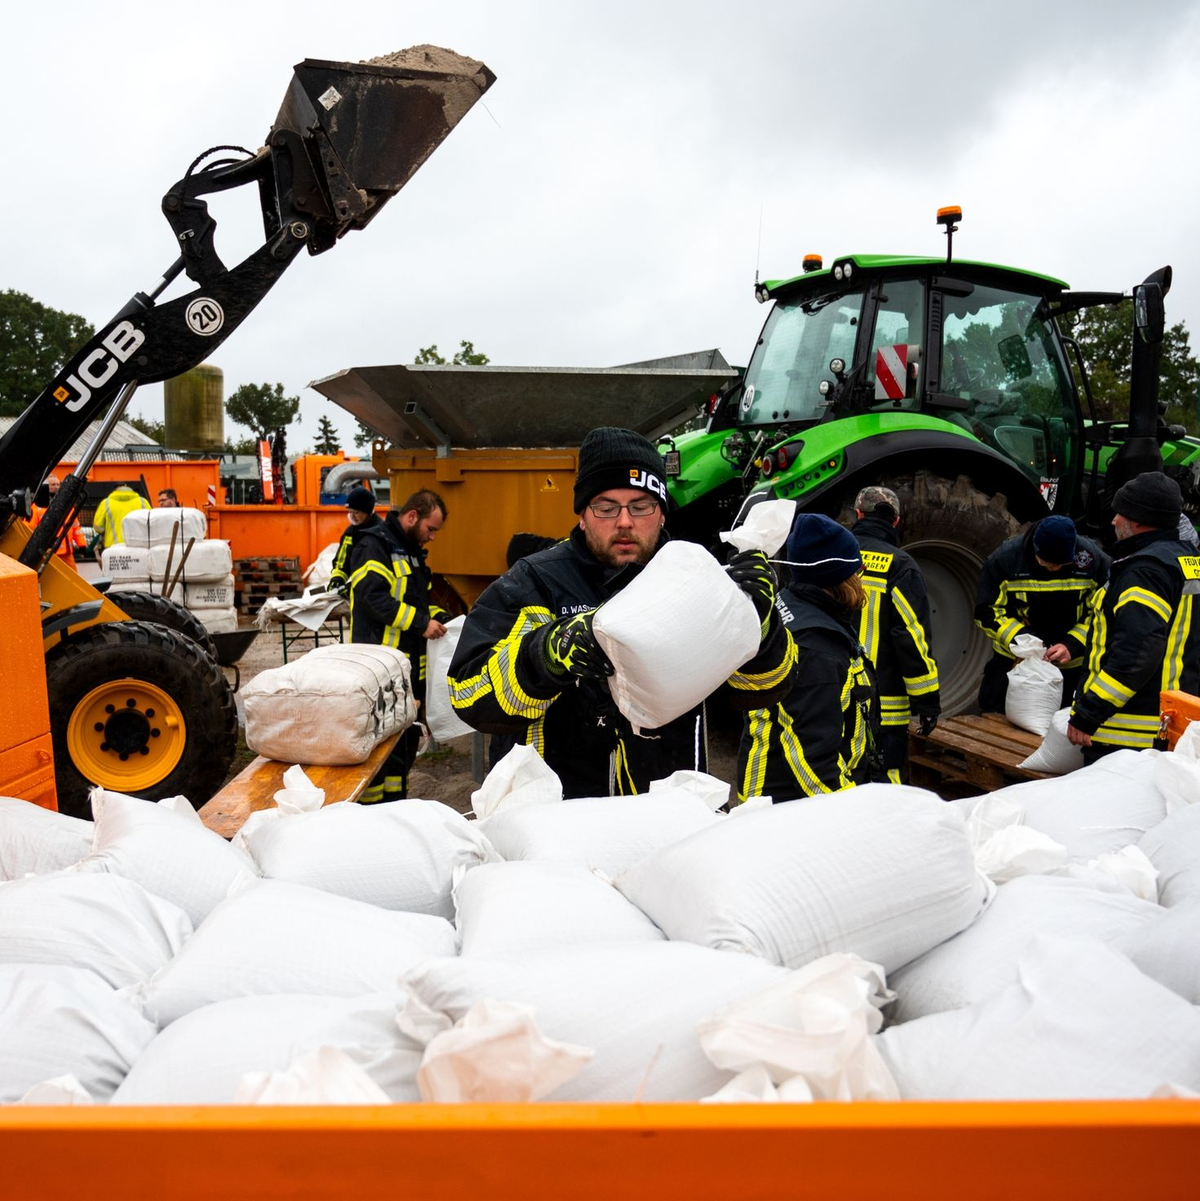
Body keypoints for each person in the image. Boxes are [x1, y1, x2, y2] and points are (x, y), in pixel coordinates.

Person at [447, 426, 795, 798]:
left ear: (661, 513)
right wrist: (547, 654)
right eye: (606, 507)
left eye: (641, 506)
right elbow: (469, 695)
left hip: (670, 811)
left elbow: (763, 690)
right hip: (557, 822)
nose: (625, 521)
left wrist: (758, 622)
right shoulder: (534, 583)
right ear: (583, 514)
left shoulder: (698, 581)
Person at [738, 513, 880, 802]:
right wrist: (857, 816)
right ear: (839, 578)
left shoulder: (790, 605)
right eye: (858, 570)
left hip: (776, 795)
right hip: (787, 811)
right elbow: (813, 761)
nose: (862, 577)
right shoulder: (817, 649)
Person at [1068, 472, 1200, 762]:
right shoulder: (1187, 562)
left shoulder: (1144, 571)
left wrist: (1089, 713)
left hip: (1130, 733)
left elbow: (1137, 653)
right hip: (1174, 723)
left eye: (1120, 513)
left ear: (1138, 520)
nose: (1114, 520)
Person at [344, 486, 449, 802]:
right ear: (412, 516)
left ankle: (394, 808)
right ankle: (371, 814)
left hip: (405, 674)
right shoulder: (373, 545)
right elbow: (371, 598)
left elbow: (417, 601)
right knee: (379, 750)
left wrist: (444, 618)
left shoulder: (412, 551)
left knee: (403, 748)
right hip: (380, 671)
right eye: (431, 529)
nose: (432, 536)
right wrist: (421, 624)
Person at [974, 515, 1109, 712]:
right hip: (1013, 665)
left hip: (1071, 670)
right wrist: (1024, 640)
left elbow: (1103, 613)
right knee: (994, 721)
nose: (1054, 568)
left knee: (1060, 730)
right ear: (1035, 548)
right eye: (1047, 562)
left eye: (1060, 564)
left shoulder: (1092, 560)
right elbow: (987, 612)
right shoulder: (1005, 561)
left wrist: (1072, 645)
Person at [850, 485, 939, 783]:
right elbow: (910, 638)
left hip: (831, 698)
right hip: (883, 708)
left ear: (858, 514)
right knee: (885, 782)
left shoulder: (832, 555)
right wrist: (926, 701)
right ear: (897, 521)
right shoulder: (900, 566)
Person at [28, 473, 85, 569]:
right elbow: (30, 528)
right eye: (53, 485)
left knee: (73, 580)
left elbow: (76, 528)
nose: (56, 487)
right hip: (49, 553)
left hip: (67, 553)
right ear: (46, 487)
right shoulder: (36, 507)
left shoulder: (68, 506)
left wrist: (82, 545)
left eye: (58, 484)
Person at [91, 483, 150, 549]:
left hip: (112, 548)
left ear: (114, 490)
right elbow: (151, 523)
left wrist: (105, 532)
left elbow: (98, 527)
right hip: (139, 547)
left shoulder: (105, 503)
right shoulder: (143, 502)